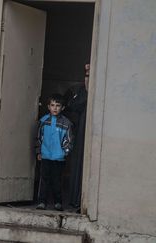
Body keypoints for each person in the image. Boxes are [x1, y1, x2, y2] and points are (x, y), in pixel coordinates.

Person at [35, 94, 73, 211]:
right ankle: (42, 202)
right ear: (48, 107)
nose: (55, 108)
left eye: (58, 105)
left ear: (63, 108)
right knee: (44, 179)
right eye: (52, 105)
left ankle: (58, 202)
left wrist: (65, 152)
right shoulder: (43, 121)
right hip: (45, 155)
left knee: (57, 180)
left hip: (58, 157)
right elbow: (38, 138)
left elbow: (69, 140)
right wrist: (39, 152)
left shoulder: (66, 123)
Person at [64, 64, 90, 210]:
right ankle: (75, 199)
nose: (88, 78)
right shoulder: (79, 91)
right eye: (86, 75)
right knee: (77, 164)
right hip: (79, 134)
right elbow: (72, 107)